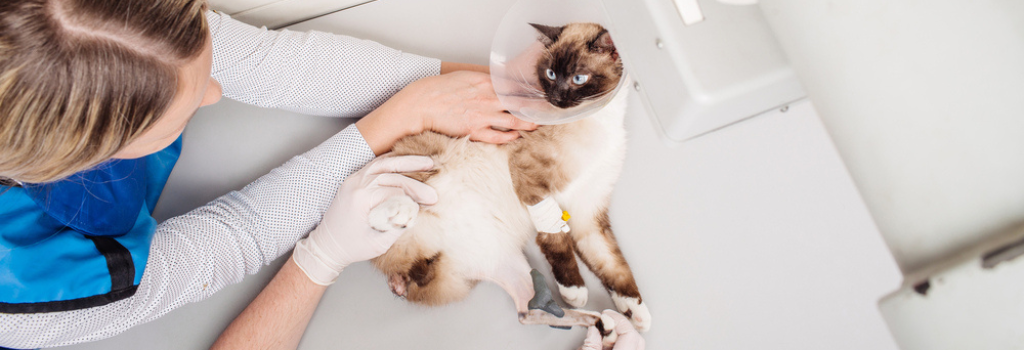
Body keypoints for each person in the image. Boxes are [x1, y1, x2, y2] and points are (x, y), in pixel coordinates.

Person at [0, 0, 645, 349]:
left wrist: (438, 93)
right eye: (185, 103)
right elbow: (230, 240)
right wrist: (323, 251)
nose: (218, 94)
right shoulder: (32, 302)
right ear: (81, 158)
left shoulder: (69, 25)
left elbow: (275, 64)